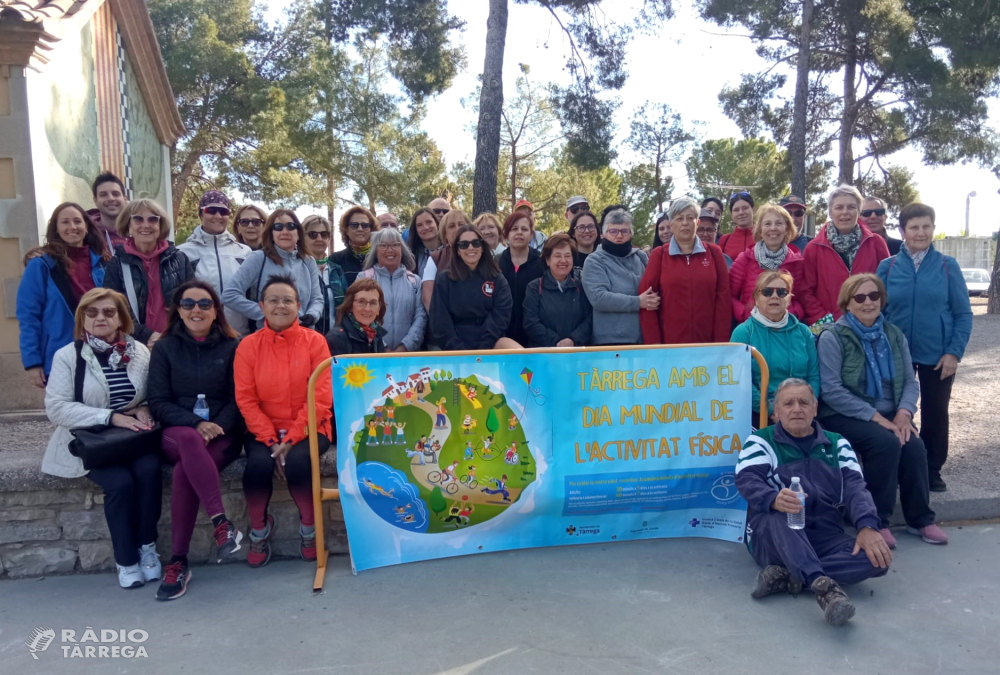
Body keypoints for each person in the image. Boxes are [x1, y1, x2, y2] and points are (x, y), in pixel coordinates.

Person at [735, 378, 891, 626]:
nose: (797, 408)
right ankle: (825, 589)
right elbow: (746, 479)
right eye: (788, 403)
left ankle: (789, 577)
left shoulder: (838, 443)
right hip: (775, 535)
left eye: (804, 402)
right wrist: (773, 498)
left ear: (815, 408)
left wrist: (867, 526)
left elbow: (855, 487)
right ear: (776, 412)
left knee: (876, 559)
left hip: (825, 535)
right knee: (780, 516)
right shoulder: (761, 441)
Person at [817, 273, 947, 547]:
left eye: (874, 296)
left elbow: (910, 382)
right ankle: (876, 520)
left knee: (913, 444)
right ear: (847, 303)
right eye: (860, 297)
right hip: (844, 413)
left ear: (881, 300)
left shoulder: (893, 334)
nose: (868, 303)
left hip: (890, 413)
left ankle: (920, 518)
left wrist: (904, 413)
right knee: (886, 442)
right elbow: (831, 391)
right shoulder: (833, 337)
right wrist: (876, 418)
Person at [42, 288, 160, 589]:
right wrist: (108, 416)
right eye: (91, 313)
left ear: (121, 318)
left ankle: (147, 548)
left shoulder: (138, 352)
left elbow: (152, 392)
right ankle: (126, 560)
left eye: (108, 312)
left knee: (148, 473)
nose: (100, 318)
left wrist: (144, 406)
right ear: (82, 318)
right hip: (92, 441)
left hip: (131, 437)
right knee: (120, 484)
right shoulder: (68, 356)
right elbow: (56, 408)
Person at [147, 281, 244, 601]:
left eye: (204, 304)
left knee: (182, 473)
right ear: (178, 311)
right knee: (189, 439)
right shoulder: (164, 348)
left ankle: (178, 561)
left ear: (216, 310)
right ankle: (221, 521)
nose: (196, 310)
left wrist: (215, 425)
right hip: (179, 431)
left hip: (222, 433)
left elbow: (238, 398)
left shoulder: (233, 346)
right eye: (188, 304)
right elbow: (158, 401)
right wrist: (196, 423)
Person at [235, 274, 333, 567]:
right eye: (274, 300)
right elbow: (246, 399)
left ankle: (309, 529)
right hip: (261, 430)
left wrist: (290, 440)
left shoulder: (316, 343)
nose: (281, 306)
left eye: (288, 300)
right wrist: (271, 440)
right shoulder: (248, 347)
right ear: (261, 306)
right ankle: (259, 530)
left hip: (311, 426)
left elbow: (320, 397)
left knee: (301, 463)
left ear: (299, 306)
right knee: (257, 465)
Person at [877, 203, 972, 492]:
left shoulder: (947, 266)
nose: (921, 232)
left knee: (935, 411)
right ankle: (899, 464)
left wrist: (953, 352)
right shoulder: (888, 266)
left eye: (926, 226)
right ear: (903, 231)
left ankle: (931, 470)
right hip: (896, 354)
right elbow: (875, 310)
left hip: (937, 354)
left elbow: (963, 314)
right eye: (914, 227)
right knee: (896, 409)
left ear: (933, 228)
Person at [18, 203, 110, 389]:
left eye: (77, 221)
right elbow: (28, 316)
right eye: (65, 222)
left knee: (103, 414)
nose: (72, 227)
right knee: (67, 414)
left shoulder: (104, 262)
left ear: (86, 226)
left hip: (103, 353)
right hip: (59, 354)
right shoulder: (41, 265)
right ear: (57, 228)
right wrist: (33, 362)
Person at [103, 199, 194, 347]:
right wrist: (147, 336)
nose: (146, 225)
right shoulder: (117, 263)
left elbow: (192, 302)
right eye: (138, 219)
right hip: (134, 345)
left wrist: (172, 335)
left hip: (176, 342)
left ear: (160, 225)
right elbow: (112, 308)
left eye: (153, 219)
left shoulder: (179, 259)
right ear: (129, 225)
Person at [639, 198, 730, 345]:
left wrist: (720, 344)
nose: (685, 223)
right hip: (670, 347)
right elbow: (648, 303)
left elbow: (723, 301)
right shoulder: (659, 255)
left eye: (690, 218)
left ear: (697, 223)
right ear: (671, 224)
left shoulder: (714, 253)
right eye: (679, 218)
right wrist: (654, 347)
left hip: (708, 345)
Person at [731, 271, 819, 420]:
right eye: (767, 292)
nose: (774, 296)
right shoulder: (743, 333)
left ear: (789, 299)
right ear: (756, 299)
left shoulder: (804, 332)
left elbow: (814, 376)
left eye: (782, 292)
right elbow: (738, 381)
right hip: (761, 411)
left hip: (801, 409)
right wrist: (770, 410)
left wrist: (807, 405)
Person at [801, 185, 890, 325]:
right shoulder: (813, 249)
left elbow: (886, 285)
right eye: (839, 207)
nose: (845, 212)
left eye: (851, 207)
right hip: (830, 328)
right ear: (830, 212)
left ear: (858, 211)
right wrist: (825, 321)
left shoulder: (876, 243)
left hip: (870, 324)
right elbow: (806, 291)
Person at [223, 210, 323, 332]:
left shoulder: (308, 261)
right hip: (268, 337)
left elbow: (317, 298)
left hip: (304, 335)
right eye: (278, 227)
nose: (285, 232)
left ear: (298, 233)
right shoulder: (258, 258)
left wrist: (312, 315)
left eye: (291, 226)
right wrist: (266, 313)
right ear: (271, 233)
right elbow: (229, 295)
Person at [429, 224, 517, 351]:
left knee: (522, 358)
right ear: (458, 251)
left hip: (491, 343)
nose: (471, 248)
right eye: (464, 244)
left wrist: (484, 348)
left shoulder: (497, 279)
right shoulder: (444, 280)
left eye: (475, 243)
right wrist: (459, 350)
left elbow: (501, 316)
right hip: (455, 346)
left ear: (482, 247)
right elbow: (440, 321)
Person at [178, 190, 253, 334]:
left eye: (223, 212)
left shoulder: (244, 252)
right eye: (211, 210)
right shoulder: (183, 252)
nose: (218, 216)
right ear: (201, 214)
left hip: (239, 334)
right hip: (199, 336)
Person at [583, 209, 654, 345]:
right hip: (611, 342)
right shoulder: (594, 260)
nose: (619, 235)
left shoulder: (640, 257)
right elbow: (599, 298)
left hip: (643, 339)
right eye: (613, 231)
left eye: (624, 231)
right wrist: (638, 302)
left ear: (631, 233)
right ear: (603, 234)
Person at [729, 204, 807, 323]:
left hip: (785, 327)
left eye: (779, 223)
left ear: (786, 229)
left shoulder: (796, 262)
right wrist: (744, 314)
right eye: (767, 224)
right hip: (752, 326)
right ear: (760, 230)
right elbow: (729, 295)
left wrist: (793, 313)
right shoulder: (745, 259)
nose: (773, 228)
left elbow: (800, 298)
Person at [359, 228, 425, 352]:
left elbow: (420, 316)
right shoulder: (364, 278)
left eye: (395, 245)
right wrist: (382, 347)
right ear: (375, 251)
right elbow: (360, 315)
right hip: (374, 353)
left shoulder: (415, 281)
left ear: (402, 249)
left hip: (408, 355)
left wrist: (405, 346)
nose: (390, 250)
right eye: (383, 245)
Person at [523, 233, 593, 347]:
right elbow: (530, 323)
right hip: (544, 353)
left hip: (576, 352)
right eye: (557, 256)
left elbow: (589, 320)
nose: (563, 260)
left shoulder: (580, 287)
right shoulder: (535, 287)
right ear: (548, 260)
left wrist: (573, 340)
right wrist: (557, 342)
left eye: (567, 256)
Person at [498, 211, 545, 347]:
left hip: (536, 338)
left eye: (524, 229)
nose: (519, 232)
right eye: (514, 229)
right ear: (506, 234)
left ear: (531, 235)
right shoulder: (495, 263)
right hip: (503, 337)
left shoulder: (542, 263)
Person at [301, 215, 347, 335]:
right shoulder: (296, 268)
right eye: (312, 234)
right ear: (301, 237)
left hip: (335, 340)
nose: (319, 238)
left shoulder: (336, 270)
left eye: (324, 234)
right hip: (305, 337)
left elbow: (346, 306)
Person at [421, 209, 468, 313]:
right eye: (451, 226)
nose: (457, 229)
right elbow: (427, 298)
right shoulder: (435, 258)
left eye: (461, 224)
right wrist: (441, 324)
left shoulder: (480, 255)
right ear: (445, 234)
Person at [326, 277, 388, 356]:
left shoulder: (375, 335)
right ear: (350, 305)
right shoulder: (336, 338)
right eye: (361, 302)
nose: (367, 309)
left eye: (373, 303)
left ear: (379, 309)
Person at [329, 206, 380, 286]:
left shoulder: (380, 258)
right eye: (354, 225)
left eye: (365, 225)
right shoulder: (335, 260)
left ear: (371, 229)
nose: (360, 229)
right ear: (346, 230)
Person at [88, 172, 128, 251]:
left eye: (116, 194)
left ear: (125, 199)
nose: (111, 198)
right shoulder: (86, 232)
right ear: (95, 200)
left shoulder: (140, 229)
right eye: (103, 195)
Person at [405, 208, 442, 278]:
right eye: (419, 225)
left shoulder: (449, 251)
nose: (425, 227)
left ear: (437, 224)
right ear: (415, 230)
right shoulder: (410, 256)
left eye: (429, 222)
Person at [718, 192, 755, 260]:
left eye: (745, 208)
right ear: (732, 214)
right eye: (736, 210)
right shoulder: (724, 240)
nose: (741, 212)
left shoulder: (764, 236)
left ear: (753, 210)